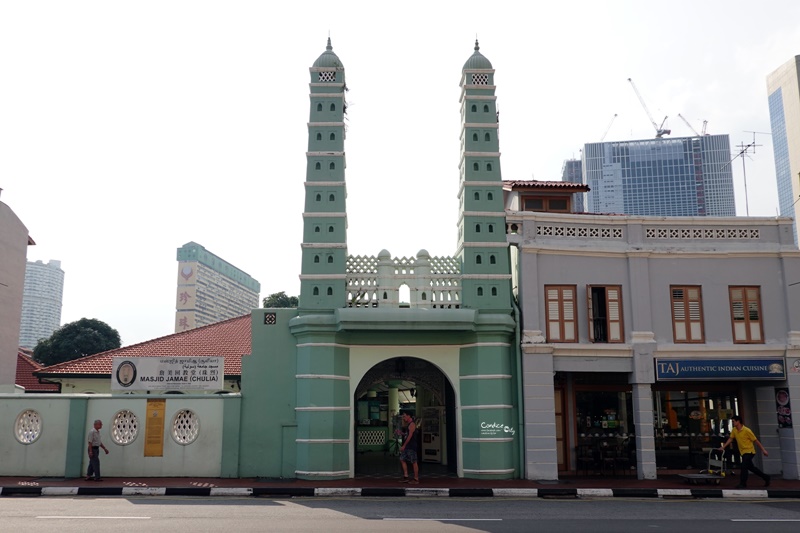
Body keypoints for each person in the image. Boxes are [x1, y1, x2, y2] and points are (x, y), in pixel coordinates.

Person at [718, 415, 770, 488]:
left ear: (738, 421)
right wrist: (723, 447)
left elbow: (756, 441)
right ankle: (766, 477)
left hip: (749, 451)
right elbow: (731, 439)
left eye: (733, 421)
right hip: (742, 452)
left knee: (743, 466)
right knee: (751, 468)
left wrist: (763, 450)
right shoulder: (734, 430)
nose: (732, 423)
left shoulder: (747, 430)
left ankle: (743, 483)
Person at [398, 411, 419, 484]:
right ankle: (406, 476)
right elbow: (407, 435)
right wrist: (401, 433)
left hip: (411, 446)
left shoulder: (412, 424)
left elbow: (410, 436)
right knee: (402, 459)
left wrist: (404, 445)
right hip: (407, 446)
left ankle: (416, 478)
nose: (403, 418)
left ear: (409, 416)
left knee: (414, 461)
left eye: (404, 416)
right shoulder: (408, 425)